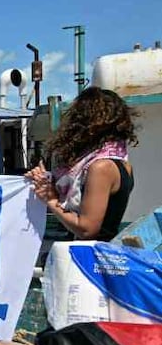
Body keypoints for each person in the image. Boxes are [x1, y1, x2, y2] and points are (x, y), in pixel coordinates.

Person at [26, 87, 137, 241]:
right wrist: (44, 182)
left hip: (88, 257)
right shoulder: (121, 163)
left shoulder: (101, 167)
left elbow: (86, 229)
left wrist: (51, 199)